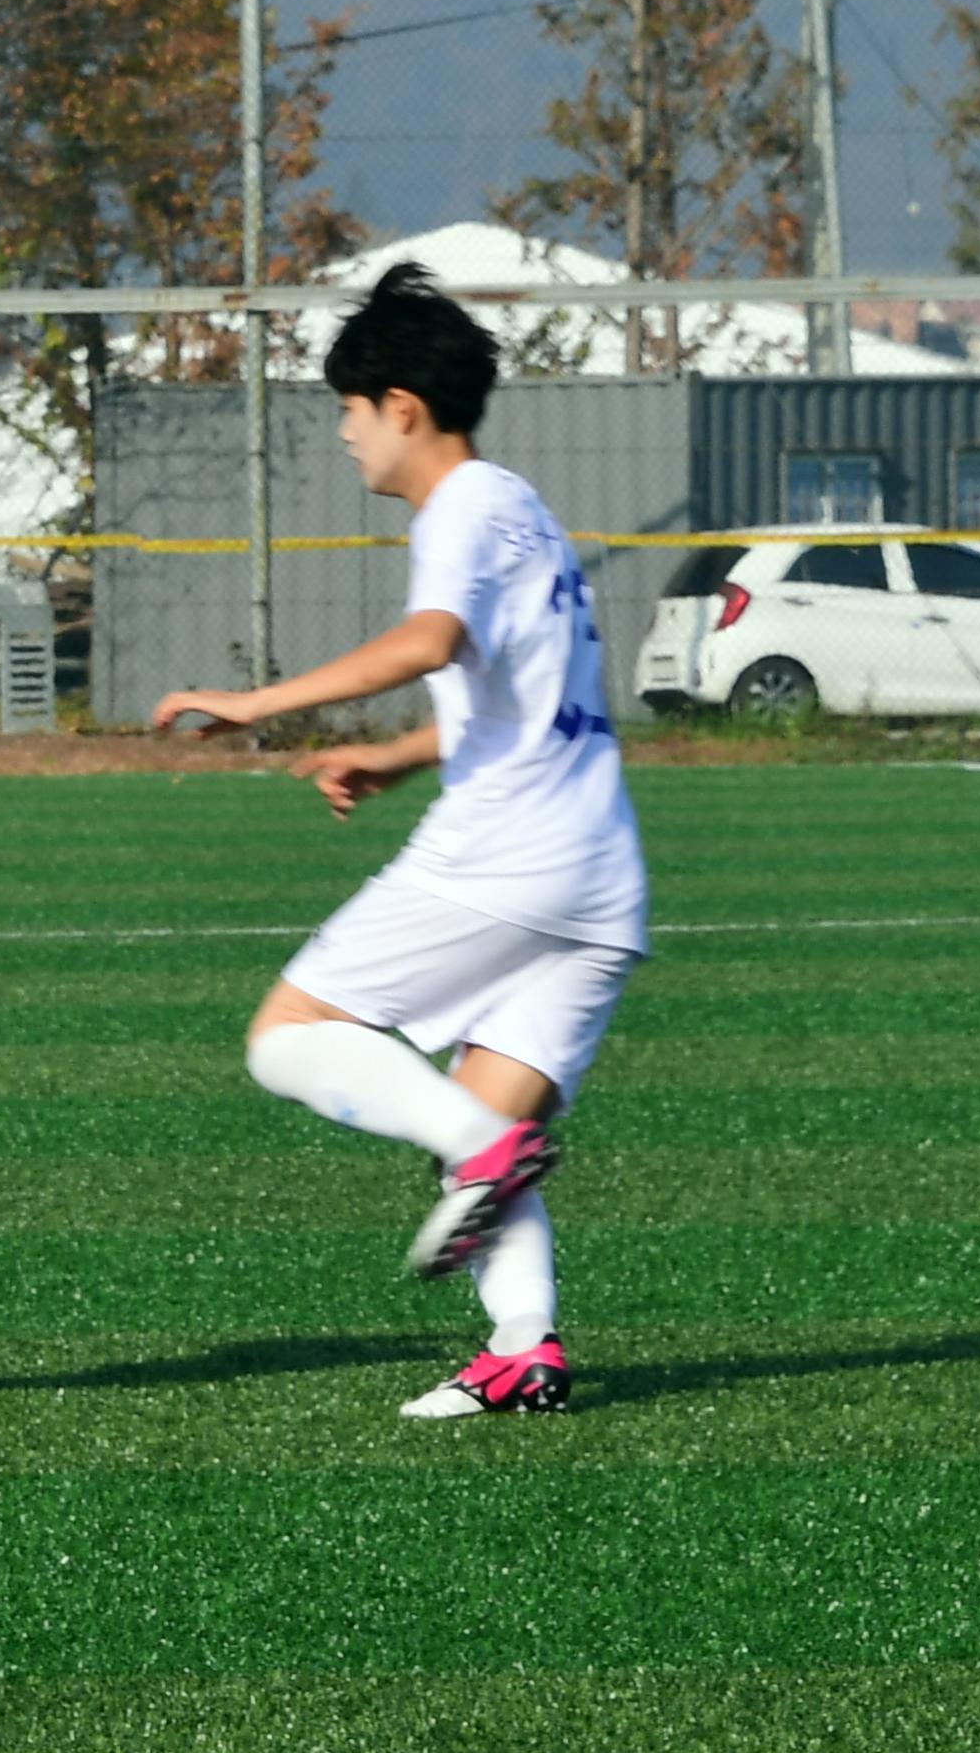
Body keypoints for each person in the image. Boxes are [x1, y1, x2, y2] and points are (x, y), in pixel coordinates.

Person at [152, 262, 646, 1419]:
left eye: (348, 409)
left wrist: (254, 704)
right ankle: (525, 1344)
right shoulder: (522, 503)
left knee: (286, 1040)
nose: (343, 434)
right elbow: (526, 692)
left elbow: (430, 639)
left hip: (507, 857)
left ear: (402, 408)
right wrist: (400, 753)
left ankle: (484, 1165)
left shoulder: (462, 508)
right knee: (476, 1117)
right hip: (600, 879)